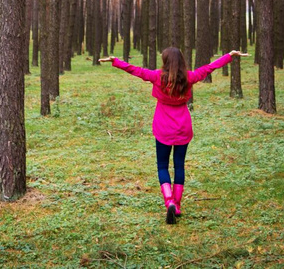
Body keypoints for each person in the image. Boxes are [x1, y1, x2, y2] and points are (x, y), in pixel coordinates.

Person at [99, 48, 249, 224]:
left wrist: (116, 61)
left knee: (162, 165)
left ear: (165, 61)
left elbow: (136, 71)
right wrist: (229, 56)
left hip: (163, 127)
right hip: (183, 127)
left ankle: (168, 200)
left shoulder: (157, 76)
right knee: (179, 166)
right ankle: (176, 205)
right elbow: (209, 68)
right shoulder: (189, 77)